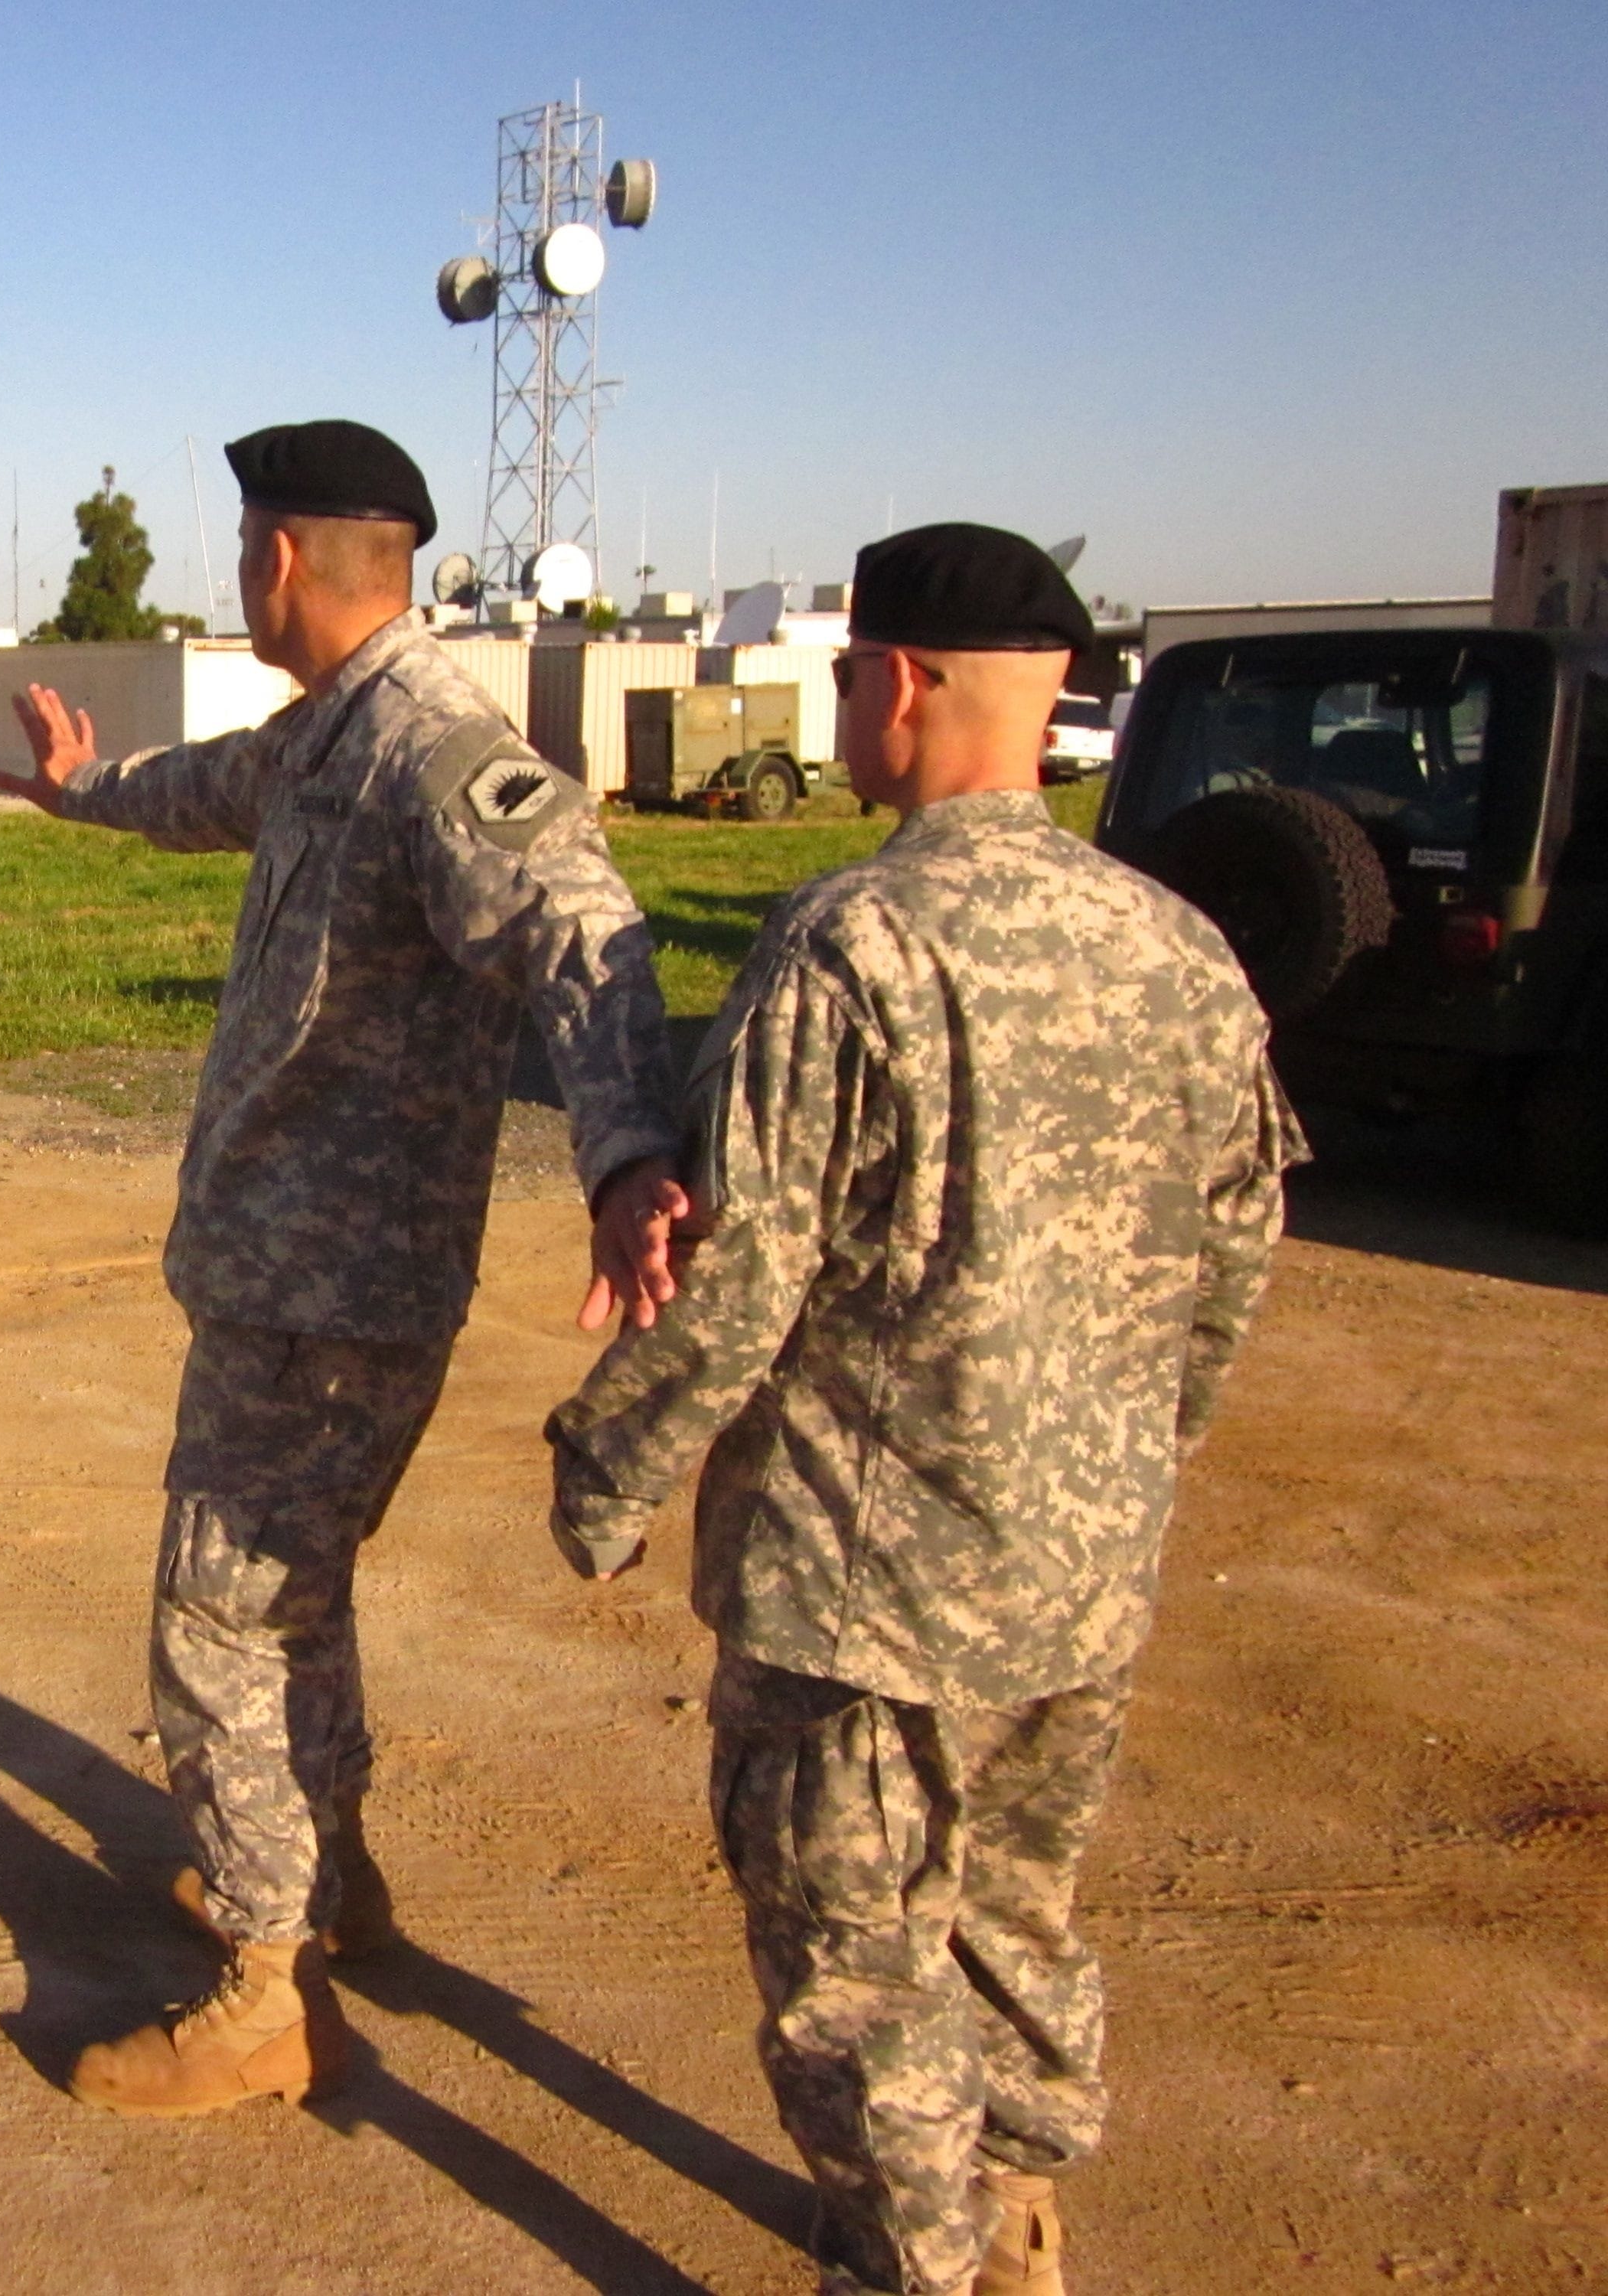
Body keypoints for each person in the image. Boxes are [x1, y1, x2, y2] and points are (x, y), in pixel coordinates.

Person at [542, 525, 1305, 2296]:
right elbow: (1235, 1244)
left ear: (897, 685)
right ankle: (1018, 2208)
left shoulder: (851, 941)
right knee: (1016, 1914)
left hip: (865, 1604)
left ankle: (918, 2260)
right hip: (1078, 1578)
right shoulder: (1177, 947)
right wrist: (1132, 1452)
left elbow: (735, 1285)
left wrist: (607, 1465)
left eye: (843, 678)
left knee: (858, 1962)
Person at [0, 419, 687, 2117]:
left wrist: (622, 1148)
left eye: (238, 550)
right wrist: (78, 787)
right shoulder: (324, 735)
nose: (234, 576)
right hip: (284, 1275)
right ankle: (329, 1887)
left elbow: (577, 921)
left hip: (334, 1292)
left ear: (281, 559)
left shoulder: (431, 747)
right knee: (292, 1600)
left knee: (216, 1618)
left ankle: (258, 1986)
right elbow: (197, 792)